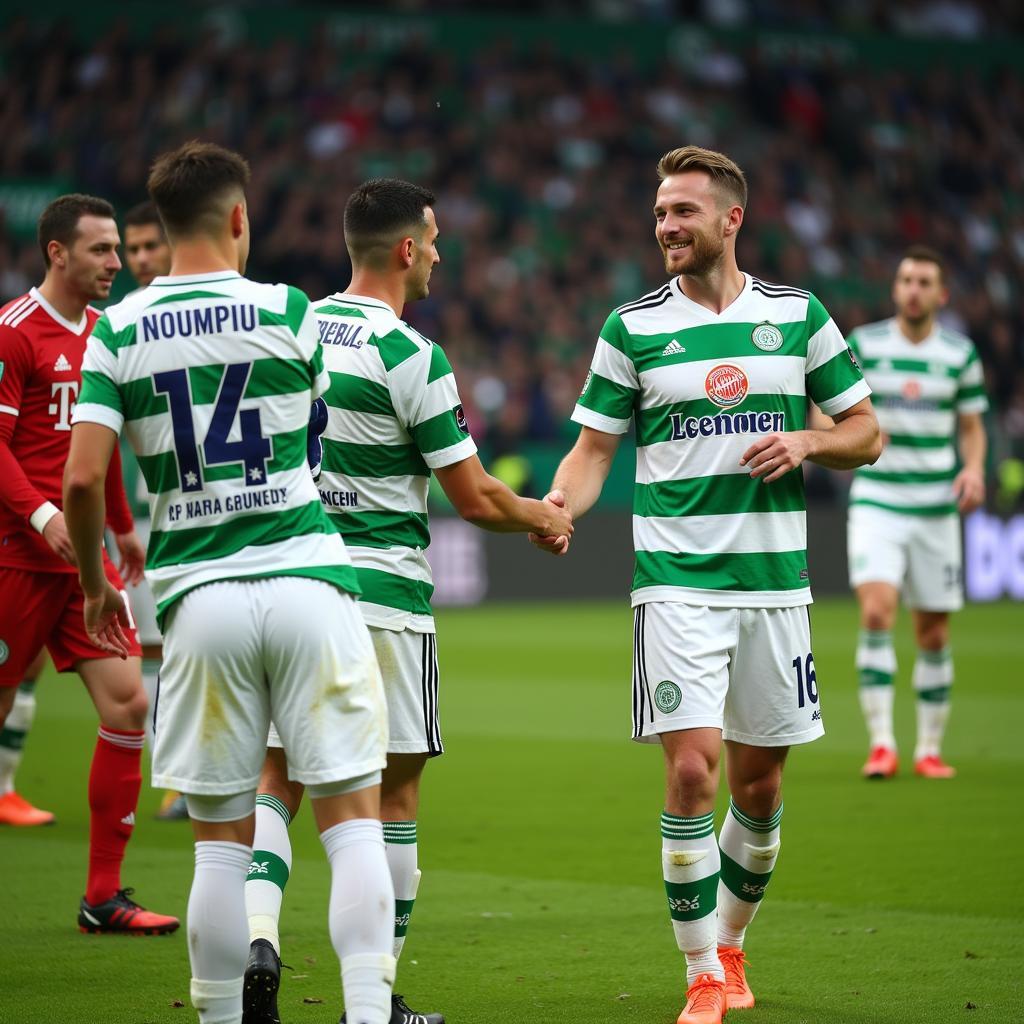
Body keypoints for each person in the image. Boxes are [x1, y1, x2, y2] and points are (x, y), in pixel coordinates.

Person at [529, 146, 881, 1024]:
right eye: (658, 214)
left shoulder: (799, 317)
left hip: (776, 587)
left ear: (731, 219)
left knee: (758, 793)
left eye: (683, 212)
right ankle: (698, 974)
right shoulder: (632, 327)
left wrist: (808, 441)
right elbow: (594, 449)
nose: (666, 228)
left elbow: (867, 432)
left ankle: (731, 941)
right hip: (676, 582)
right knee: (692, 771)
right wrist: (559, 506)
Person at [63, 140, 396, 1024]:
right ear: (240, 219)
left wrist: (98, 586)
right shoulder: (290, 310)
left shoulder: (120, 331)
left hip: (199, 599)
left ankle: (217, 1016)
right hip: (307, 582)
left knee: (218, 846)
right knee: (353, 819)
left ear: (159, 231)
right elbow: (310, 423)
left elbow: (83, 482)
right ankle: (367, 1012)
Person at [241, 177, 574, 1024]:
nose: (439, 253)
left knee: (279, 777)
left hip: (289, 585)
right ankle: (376, 997)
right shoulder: (410, 356)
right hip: (383, 598)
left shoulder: (290, 326)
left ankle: (257, 935)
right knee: (392, 797)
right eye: (432, 239)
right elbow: (474, 499)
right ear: (403, 250)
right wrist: (541, 514)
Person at [0, 194, 178, 934]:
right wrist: (43, 516)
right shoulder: (14, 333)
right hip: (12, 559)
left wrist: (123, 528)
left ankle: (103, 896)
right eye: (103, 250)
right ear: (57, 253)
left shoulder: (107, 336)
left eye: (118, 249)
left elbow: (95, 448)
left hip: (84, 571)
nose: (117, 263)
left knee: (128, 705)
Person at [844, 246, 988, 780]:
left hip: (936, 508)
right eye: (906, 279)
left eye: (924, 281)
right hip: (878, 499)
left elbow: (972, 426)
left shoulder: (960, 354)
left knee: (932, 633)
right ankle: (882, 744)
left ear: (941, 294)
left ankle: (929, 748)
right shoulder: (866, 345)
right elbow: (837, 405)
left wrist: (973, 469)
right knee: (878, 612)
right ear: (895, 289)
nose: (913, 289)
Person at [121, 199, 185, 818]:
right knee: (152, 651)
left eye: (149, 247)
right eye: (130, 249)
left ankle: (195, 778)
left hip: (204, 517)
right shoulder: (118, 325)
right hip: (139, 518)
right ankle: (178, 776)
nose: (138, 260)